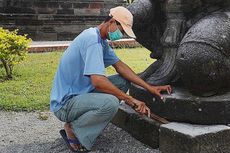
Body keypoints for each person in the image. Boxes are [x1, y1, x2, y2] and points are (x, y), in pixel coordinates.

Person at [50, 6, 172, 152]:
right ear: (112, 22)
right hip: (65, 103)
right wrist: (130, 99)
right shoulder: (92, 40)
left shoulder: (100, 40)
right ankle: (74, 129)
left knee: (123, 81)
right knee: (111, 103)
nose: (120, 35)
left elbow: (120, 66)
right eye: (121, 31)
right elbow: (98, 82)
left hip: (81, 93)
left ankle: (87, 124)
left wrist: (149, 87)